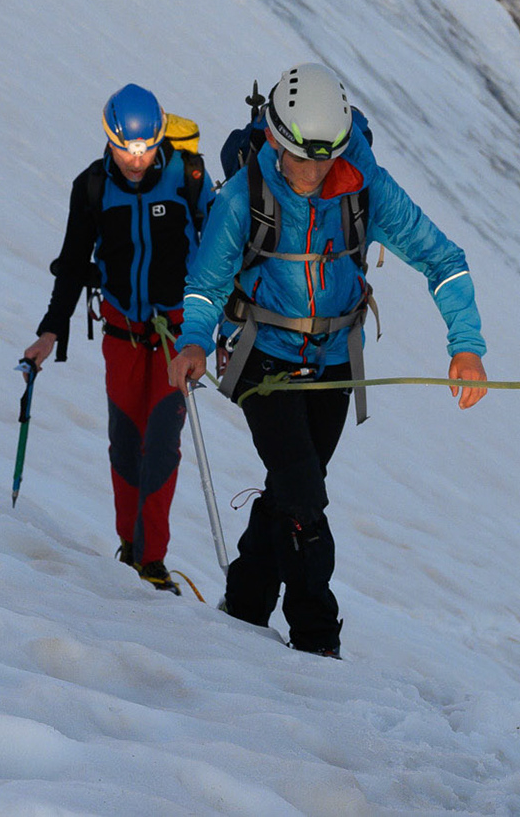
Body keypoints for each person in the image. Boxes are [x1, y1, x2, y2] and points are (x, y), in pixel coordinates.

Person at [167, 62, 487, 657]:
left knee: (291, 492)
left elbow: (444, 258)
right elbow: (206, 285)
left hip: (337, 363)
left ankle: (241, 611)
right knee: (306, 501)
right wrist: (193, 341)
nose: (312, 173)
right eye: (298, 158)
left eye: (325, 159)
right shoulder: (244, 198)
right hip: (261, 362)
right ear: (275, 140)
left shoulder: (366, 186)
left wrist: (465, 344)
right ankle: (317, 641)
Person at [24, 84, 213, 595]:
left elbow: (220, 257)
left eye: (146, 147)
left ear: (159, 138)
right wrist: (50, 331)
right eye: (125, 147)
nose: (136, 159)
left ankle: (152, 562)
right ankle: (129, 552)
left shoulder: (189, 178)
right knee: (126, 444)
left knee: (162, 445)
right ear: (108, 139)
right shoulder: (91, 187)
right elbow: (72, 261)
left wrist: (217, 331)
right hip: (121, 334)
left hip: (177, 338)